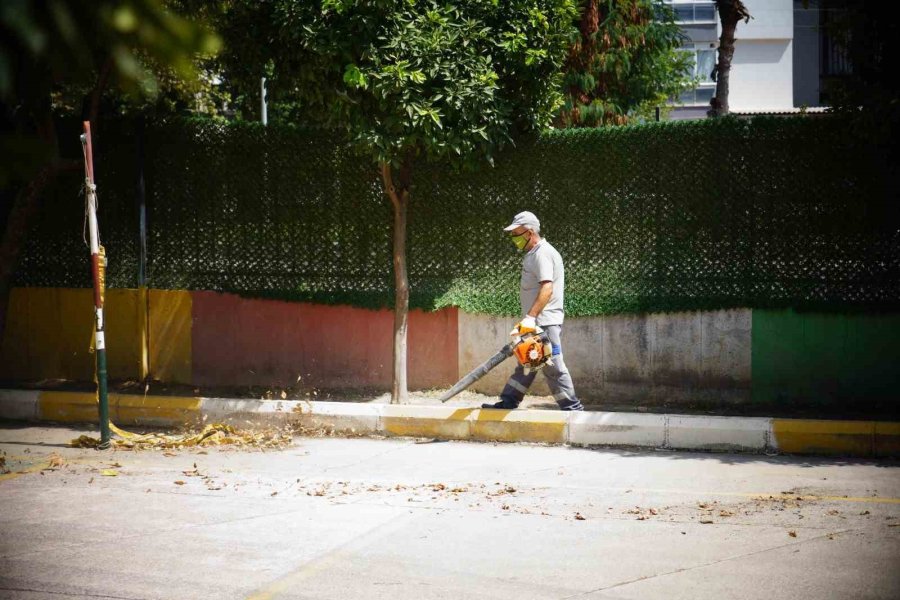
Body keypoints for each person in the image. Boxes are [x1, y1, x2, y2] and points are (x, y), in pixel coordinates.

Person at [482, 211, 584, 411]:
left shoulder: (542, 253)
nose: (513, 237)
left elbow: (547, 287)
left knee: (552, 365)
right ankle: (509, 402)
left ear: (529, 232)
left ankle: (573, 408)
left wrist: (530, 317)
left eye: (516, 232)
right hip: (538, 321)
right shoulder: (535, 253)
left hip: (544, 321)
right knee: (527, 363)